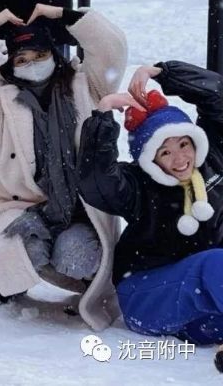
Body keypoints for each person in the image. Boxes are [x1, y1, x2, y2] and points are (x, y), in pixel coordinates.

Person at [0, 4, 127, 331]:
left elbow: (111, 50)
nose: (32, 64)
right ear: (11, 64)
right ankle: (12, 280)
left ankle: (91, 282)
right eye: (22, 59)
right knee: (20, 246)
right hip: (18, 207)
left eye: (40, 55)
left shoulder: (85, 86)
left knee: (75, 256)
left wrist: (64, 15)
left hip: (80, 209)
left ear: (54, 55)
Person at [78, 62, 223, 371]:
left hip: (197, 307)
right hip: (146, 295)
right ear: (150, 158)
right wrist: (103, 115)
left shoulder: (214, 160)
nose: (180, 159)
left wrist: (162, 73)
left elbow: (217, 97)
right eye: (165, 152)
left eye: (183, 144)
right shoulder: (137, 184)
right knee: (215, 263)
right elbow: (96, 182)